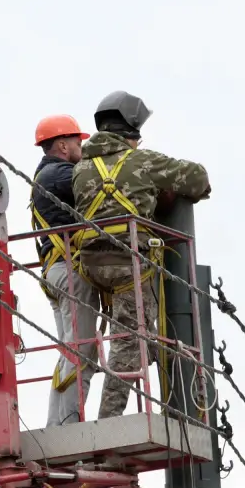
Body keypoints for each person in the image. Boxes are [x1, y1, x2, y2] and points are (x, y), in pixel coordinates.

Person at [71, 90, 211, 419]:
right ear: (132, 129)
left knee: (128, 334)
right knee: (129, 343)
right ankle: (109, 418)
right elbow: (198, 178)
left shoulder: (81, 168)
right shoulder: (142, 161)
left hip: (91, 264)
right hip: (128, 264)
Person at [30, 115, 101, 426]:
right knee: (82, 352)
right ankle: (70, 425)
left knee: (70, 351)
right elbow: (96, 183)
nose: (81, 148)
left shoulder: (46, 176)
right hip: (69, 273)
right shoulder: (59, 174)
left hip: (56, 273)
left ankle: (56, 425)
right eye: (78, 142)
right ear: (62, 145)